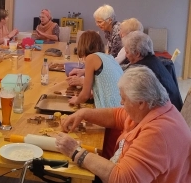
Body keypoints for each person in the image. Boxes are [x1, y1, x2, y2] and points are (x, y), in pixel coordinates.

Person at [56, 66, 191, 183]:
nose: (121, 102)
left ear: (141, 103)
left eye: (124, 99)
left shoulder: (158, 133)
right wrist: (84, 113)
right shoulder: (151, 108)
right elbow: (116, 116)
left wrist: (76, 152)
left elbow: (123, 179)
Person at [123, 31, 183, 111]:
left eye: (127, 52)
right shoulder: (156, 60)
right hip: (176, 110)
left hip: (166, 115)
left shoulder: (140, 71)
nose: (126, 55)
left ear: (137, 53)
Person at [67, 31, 123, 108]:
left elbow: (85, 95)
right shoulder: (109, 57)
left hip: (111, 109)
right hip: (121, 107)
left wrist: (76, 100)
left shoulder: (91, 58)